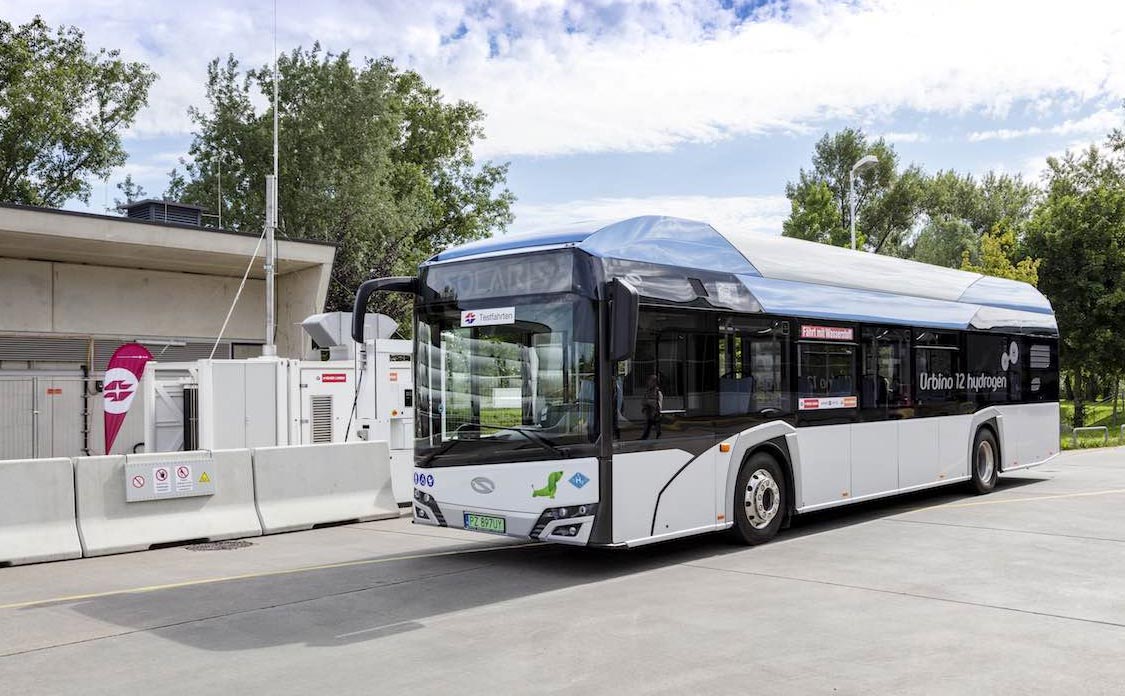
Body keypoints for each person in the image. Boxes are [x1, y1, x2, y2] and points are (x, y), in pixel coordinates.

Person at [640, 374, 663, 440]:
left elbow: (658, 402)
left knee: (656, 424)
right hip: (649, 412)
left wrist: (649, 402)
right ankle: (645, 437)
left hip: (654, 412)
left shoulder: (657, 392)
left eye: (650, 381)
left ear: (654, 382)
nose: (648, 382)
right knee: (648, 425)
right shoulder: (648, 391)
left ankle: (658, 435)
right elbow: (644, 400)